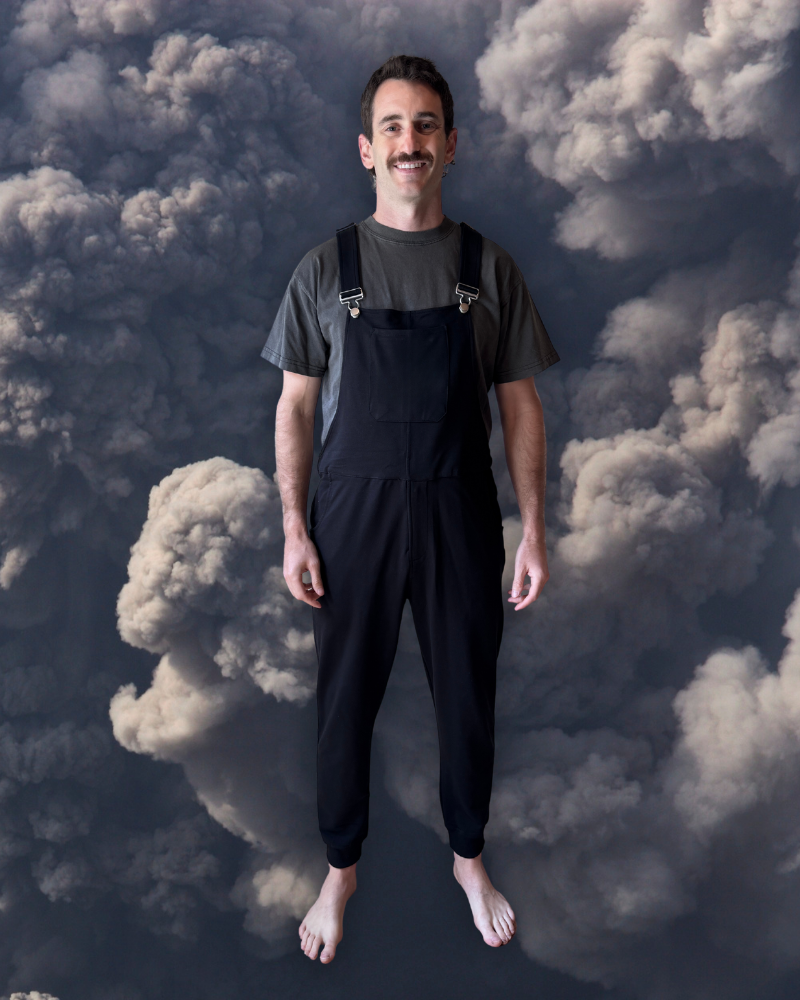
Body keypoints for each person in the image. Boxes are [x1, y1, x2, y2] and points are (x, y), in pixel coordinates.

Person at [261, 54, 559, 964]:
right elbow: (296, 406)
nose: (409, 142)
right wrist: (294, 526)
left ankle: (468, 857)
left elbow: (519, 405)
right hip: (349, 515)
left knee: (467, 699)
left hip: (460, 511)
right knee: (344, 702)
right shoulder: (326, 268)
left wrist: (535, 529)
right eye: (392, 126)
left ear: (451, 145)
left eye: (425, 125)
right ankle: (340, 869)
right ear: (366, 148)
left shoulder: (487, 267)